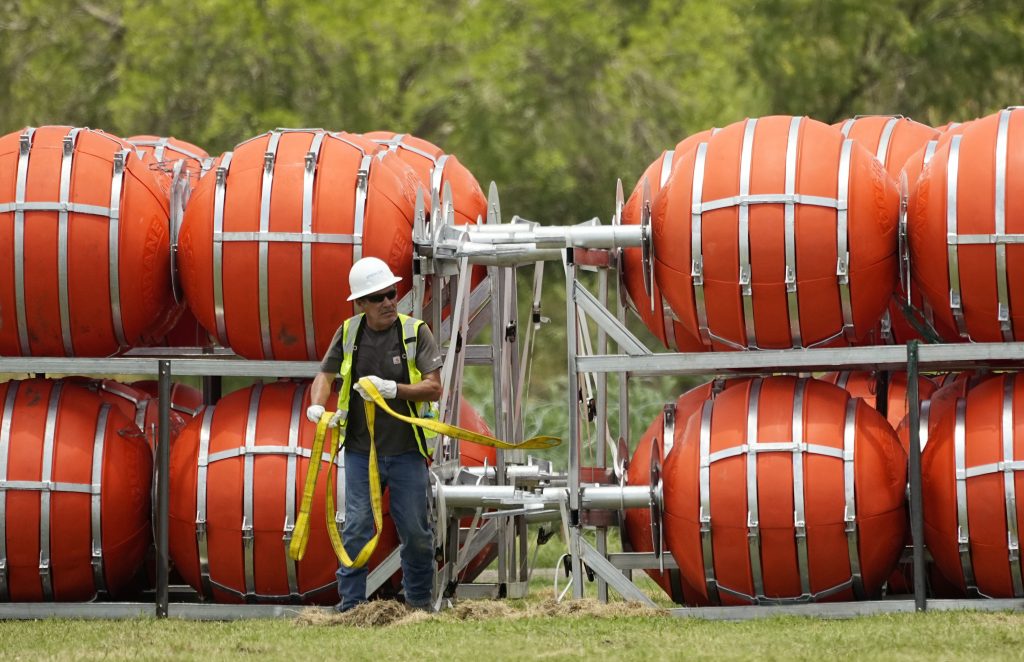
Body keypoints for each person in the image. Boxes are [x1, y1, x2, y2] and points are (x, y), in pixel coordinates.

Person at [306, 256, 443, 612]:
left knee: (415, 532)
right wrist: (318, 407)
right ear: (361, 304)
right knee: (356, 529)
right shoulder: (349, 332)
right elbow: (325, 375)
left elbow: (434, 388)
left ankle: (418, 606)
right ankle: (350, 607)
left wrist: (394, 390)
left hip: (407, 452)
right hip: (359, 451)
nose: (388, 302)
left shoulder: (416, 332)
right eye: (378, 297)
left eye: (392, 293)